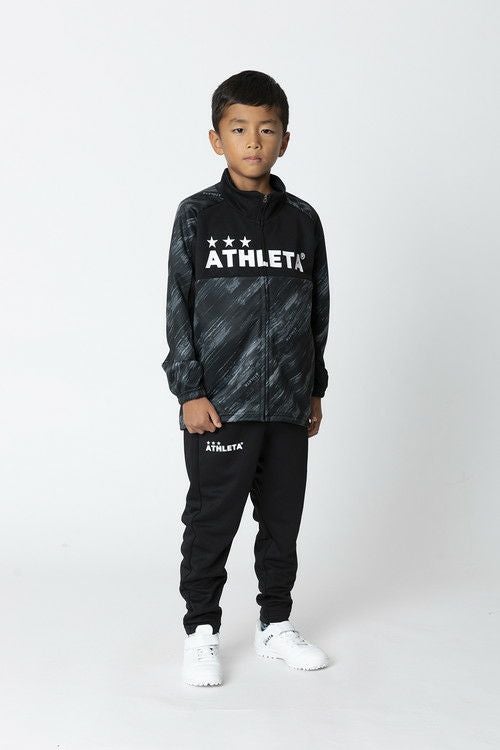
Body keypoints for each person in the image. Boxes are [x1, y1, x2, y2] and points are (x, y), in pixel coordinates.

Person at [162, 70, 331, 686]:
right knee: (212, 518)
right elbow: (178, 307)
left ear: (285, 139)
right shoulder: (197, 216)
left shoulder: (303, 221)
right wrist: (190, 390)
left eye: (266, 129)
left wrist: (314, 387)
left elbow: (318, 310)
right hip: (220, 405)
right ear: (217, 139)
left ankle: (275, 625)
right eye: (239, 129)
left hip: (286, 400)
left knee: (282, 519)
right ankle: (201, 630)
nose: (253, 141)